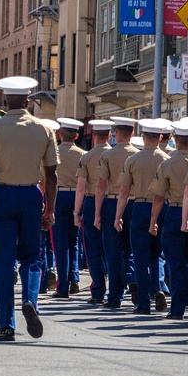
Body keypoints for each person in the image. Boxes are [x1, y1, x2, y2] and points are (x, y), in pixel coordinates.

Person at [0, 76, 58, 342]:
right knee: (32, 257)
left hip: (2, 196)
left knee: (3, 261)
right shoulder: (44, 129)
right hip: (31, 195)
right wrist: (50, 210)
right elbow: (52, 175)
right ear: (27, 101)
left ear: (4, 100)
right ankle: (31, 301)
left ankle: (6, 327)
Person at [116, 118, 171, 314]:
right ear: (160, 138)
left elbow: (123, 192)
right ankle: (158, 289)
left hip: (139, 207)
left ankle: (143, 303)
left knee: (139, 255)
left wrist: (118, 216)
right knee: (158, 253)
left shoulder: (133, 160)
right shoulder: (167, 159)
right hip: (163, 207)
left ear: (144, 137)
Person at [149, 118, 188, 320]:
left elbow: (159, 196)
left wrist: (154, 219)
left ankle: (177, 308)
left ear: (176, 139)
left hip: (175, 212)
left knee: (175, 262)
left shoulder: (167, 164)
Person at [93, 117, 139, 309]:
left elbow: (101, 186)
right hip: (135, 203)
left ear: (115, 134)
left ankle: (115, 296)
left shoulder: (107, 156)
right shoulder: (138, 154)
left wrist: (97, 213)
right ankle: (131, 278)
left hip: (112, 202)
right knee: (130, 248)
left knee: (112, 251)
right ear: (133, 134)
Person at [74, 120, 112, 305]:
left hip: (90, 202)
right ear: (110, 136)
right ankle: (117, 287)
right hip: (113, 201)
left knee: (93, 248)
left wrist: (76, 212)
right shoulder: (115, 155)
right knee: (113, 247)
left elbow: (81, 188)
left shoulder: (87, 157)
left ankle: (98, 290)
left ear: (94, 136)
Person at [51, 118, 85, 299]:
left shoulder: (53, 152)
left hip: (58, 195)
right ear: (77, 136)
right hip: (78, 196)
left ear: (60, 134)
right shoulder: (83, 154)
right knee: (74, 241)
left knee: (60, 243)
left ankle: (62, 286)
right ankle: (75, 279)